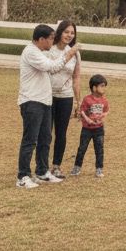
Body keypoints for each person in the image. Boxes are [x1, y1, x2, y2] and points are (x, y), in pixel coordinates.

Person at [16, 24, 80, 189]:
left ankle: (42, 172)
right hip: (32, 101)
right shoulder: (31, 52)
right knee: (30, 140)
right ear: (41, 39)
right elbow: (52, 67)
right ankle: (23, 176)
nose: (53, 40)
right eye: (51, 38)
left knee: (45, 138)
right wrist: (69, 53)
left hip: (45, 101)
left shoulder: (40, 52)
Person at [47, 20, 82, 179]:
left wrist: (77, 100)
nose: (69, 35)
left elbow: (76, 77)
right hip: (47, 95)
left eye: (72, 33)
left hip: (66, 97)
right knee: (45, 132)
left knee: (61, 133)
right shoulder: (49, 50)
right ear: (60, 32)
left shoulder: (75, 53)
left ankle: (56, 166)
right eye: (66, 32)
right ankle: (42, 165)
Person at [72, 74, 110, 177]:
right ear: (94, 88)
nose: (104, 88)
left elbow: (106, 110)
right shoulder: (87, 99)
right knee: (82, 148)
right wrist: (88, 120)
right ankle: (77, 167)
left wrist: (102, 116)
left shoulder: (104, 100)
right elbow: (82, 111)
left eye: (104, 86)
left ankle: (99, 169)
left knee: (99, 149)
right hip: (87, 130)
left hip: (99, 129)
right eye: (101, 86)